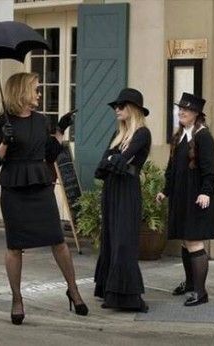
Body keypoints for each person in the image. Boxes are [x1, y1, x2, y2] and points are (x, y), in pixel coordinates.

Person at [0, 72, 87, 325]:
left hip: (40, 185)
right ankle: (17, 299)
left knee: (58, 240)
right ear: (22, 92)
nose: (40, 94)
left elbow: (51, 154)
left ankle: (73, 290)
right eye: (36, 89)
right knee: (14, 246)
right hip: (14, 188)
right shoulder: (1, 123)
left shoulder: (42, 121)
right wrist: (4, 142)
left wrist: (61, 130)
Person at [156, 92, 214, 306]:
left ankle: (200, 292)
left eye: (186, 109)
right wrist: (166, 190)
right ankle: (190, 284)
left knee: (194, 241)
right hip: (182, 196)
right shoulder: (180, 136)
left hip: (197, 197)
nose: (181, 112)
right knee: (185, 241)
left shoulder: (203, 136)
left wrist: (205, 192)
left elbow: (211, 170)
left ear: (197, 114)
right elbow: (172, 168)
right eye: (180, 108)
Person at [94, 88, 152, 312]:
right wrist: (113, 160)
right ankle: (110, 292)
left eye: (121, 106)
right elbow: (105, 162)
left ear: (133, 109)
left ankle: (127, 297)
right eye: (116, 106)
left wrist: (113, 160)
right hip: (112, 189)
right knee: (110, 237)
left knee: (124, 241)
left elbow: (120, 160)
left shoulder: (142, 134)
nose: (117, 109)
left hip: (127, 190)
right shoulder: (118, 134)